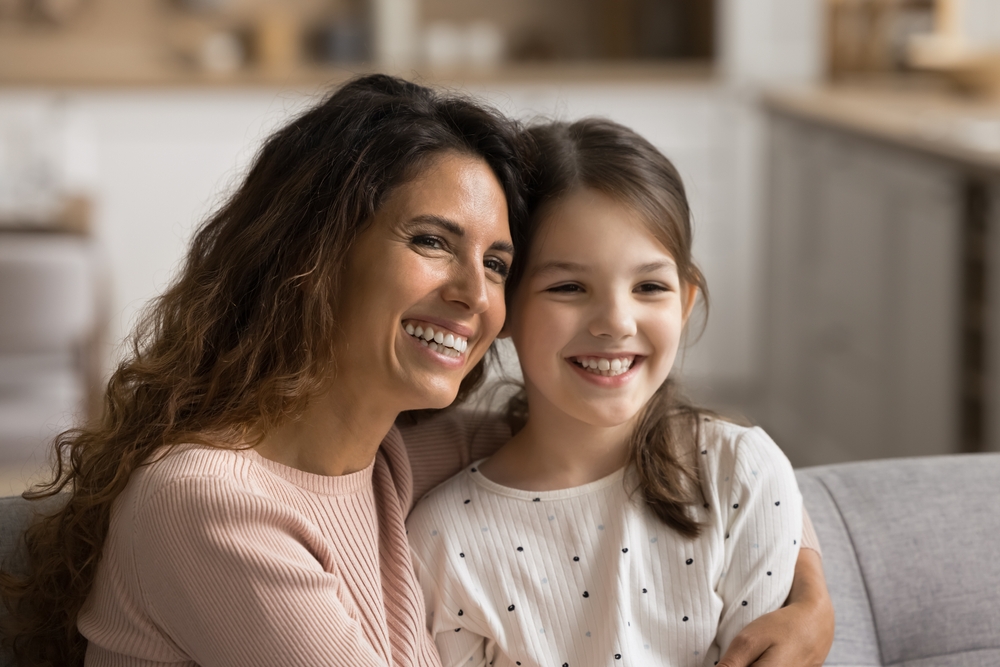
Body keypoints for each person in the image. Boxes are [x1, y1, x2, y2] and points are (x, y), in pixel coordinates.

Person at [0, 76, 831, 667]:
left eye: (499, 262)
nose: (475, 294)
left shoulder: (395, 459)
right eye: (432, 240)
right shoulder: (211, 503)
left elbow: (615, 439)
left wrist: (811, 598)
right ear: (315, 253)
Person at [406, 118, 822, 667]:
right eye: (569, 287)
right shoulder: (443, 540)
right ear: (504, 305)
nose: (616, 322)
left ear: (685, 302)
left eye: (649, 286)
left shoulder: (741, 472)